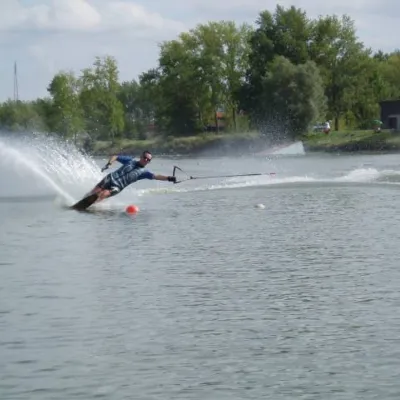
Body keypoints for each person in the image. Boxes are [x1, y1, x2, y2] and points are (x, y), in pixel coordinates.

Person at [85, 150, 176, 203]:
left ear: (149, 162)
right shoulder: (130, 161)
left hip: (117, 187)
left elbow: (156, 176)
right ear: (141, 156)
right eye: (145, 157)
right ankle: (83, 200)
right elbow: (115, 156)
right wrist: (109, 164)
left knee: (103, 194)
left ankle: (91, 204)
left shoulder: (143, 172)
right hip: (110, 178)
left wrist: (168, 178)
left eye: (148, 160)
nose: (145, 160)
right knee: (94, 191)